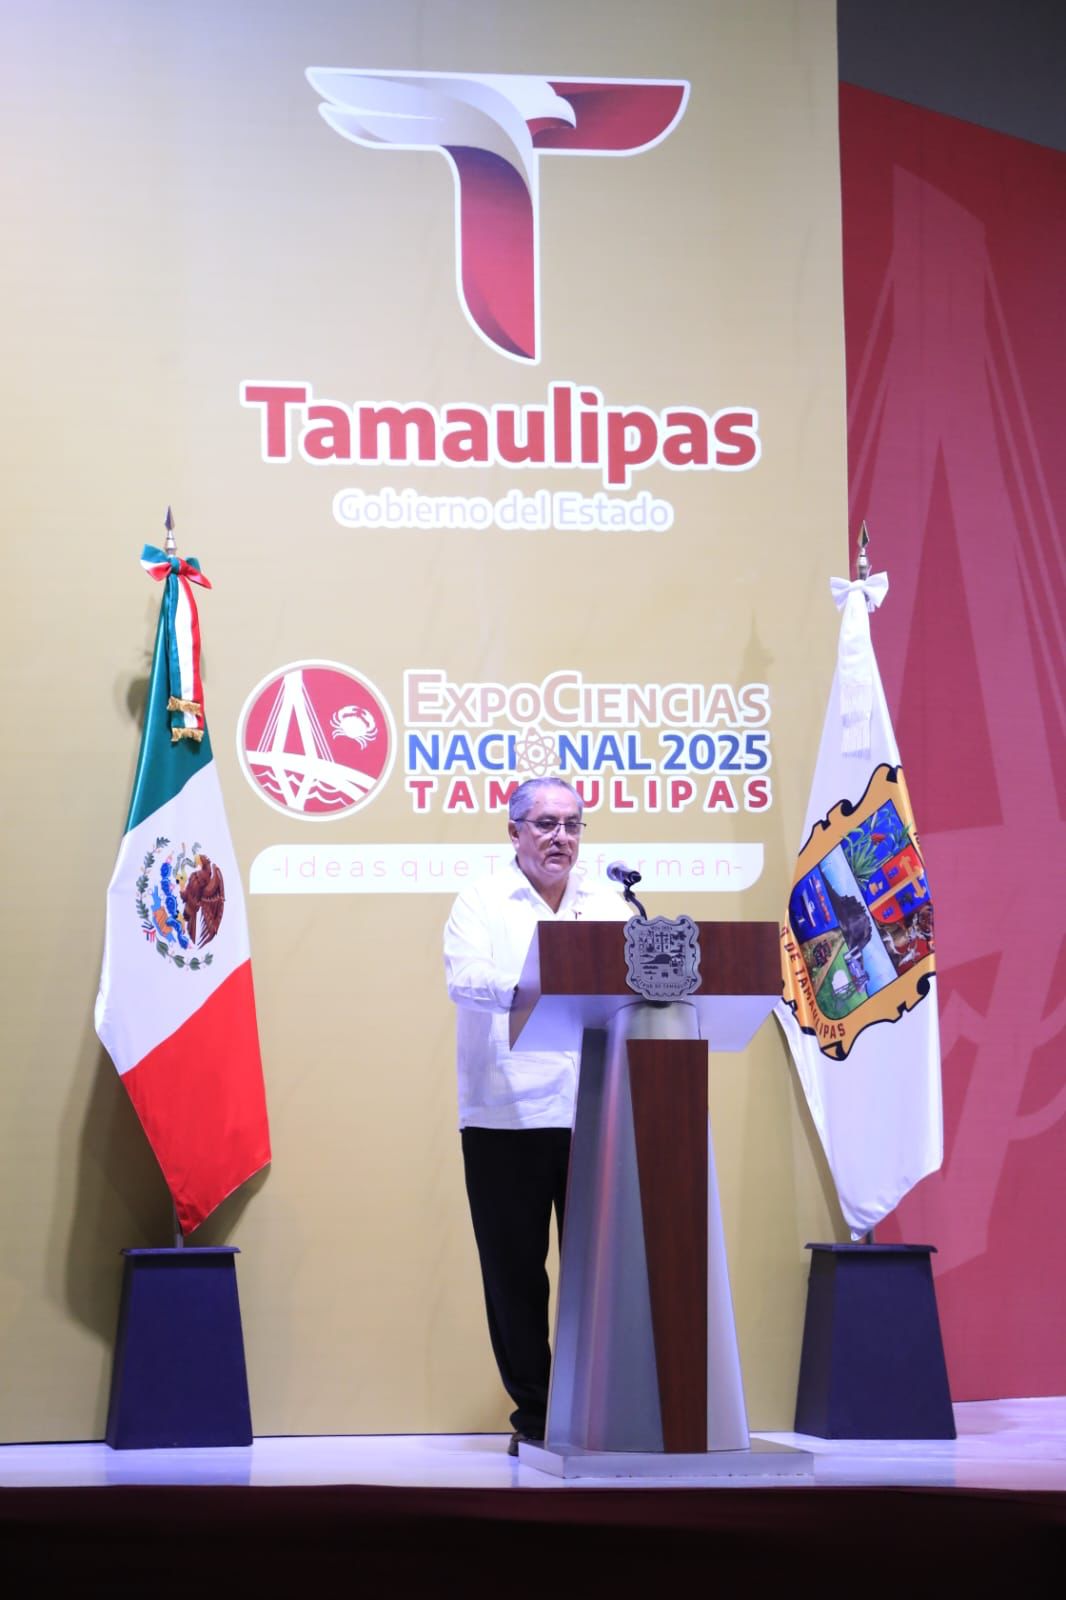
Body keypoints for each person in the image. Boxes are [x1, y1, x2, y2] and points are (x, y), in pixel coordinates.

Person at [443, 777, 632, 1455]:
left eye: (572, 825)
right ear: (514, 831)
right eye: (546, 824)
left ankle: (602, 1410)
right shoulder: (482, 900)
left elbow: (638, 982)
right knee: (516, 1276)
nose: (561, 837)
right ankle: (539, 1415)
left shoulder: (609, 902)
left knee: (601, 1272)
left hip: (595, 1111)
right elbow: (464, 979)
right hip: (507, 1115)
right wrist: (544, 976)